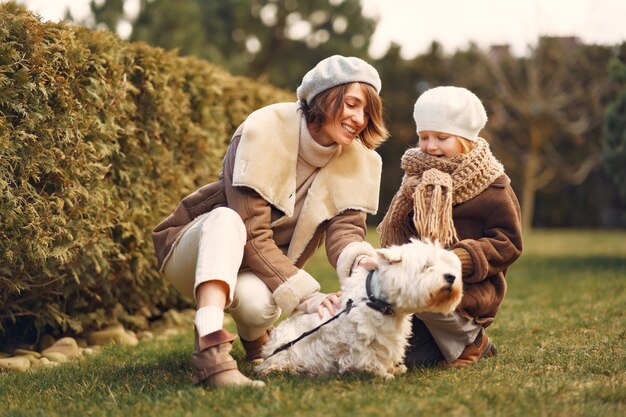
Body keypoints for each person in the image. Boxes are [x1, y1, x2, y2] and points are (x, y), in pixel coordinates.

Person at [152, 55, 388, 388]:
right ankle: (211, 353)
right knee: (227, 220)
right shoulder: (265, 129)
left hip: (256, 269)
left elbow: (345, 231)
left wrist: (361, 259)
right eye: (351, 104)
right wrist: (309, 296)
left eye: (366, 111)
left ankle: (255, 340)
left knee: (261, 308)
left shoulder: (357, 161)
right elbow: (252, 231)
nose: (359, 119)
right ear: (324, 96)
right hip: (192, 250)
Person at [378, 86, 523, 368]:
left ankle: (472, 342)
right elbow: (405, 236)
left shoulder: (493, 184)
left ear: (465, 139)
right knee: (413, 358)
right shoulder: (416, 181)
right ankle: (439, 345)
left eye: (441, 137)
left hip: (470, 287)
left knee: (425, 290)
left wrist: (457, 259)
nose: (430, 146)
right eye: (424, 137)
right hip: (423, 276)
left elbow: (509, 243)